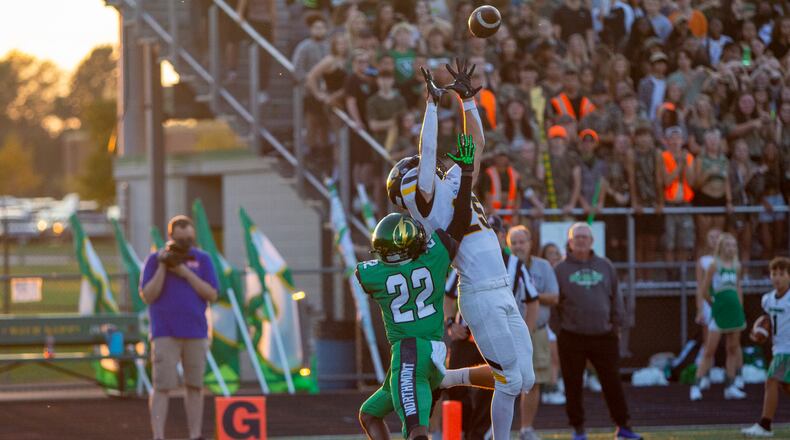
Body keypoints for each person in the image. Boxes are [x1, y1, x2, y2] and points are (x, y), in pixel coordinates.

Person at [386, 59, 536, 439]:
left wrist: (468, 101)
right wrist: (432, 106)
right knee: (510, 380)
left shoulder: (451, 182)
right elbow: (428, 149)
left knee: (528, 378)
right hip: (480, 294)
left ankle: (447, 376)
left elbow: (478, 144)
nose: (429, 165)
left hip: (501, 287)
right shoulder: (424, 204)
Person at [357, 141, 494, 440]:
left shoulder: (374, 274)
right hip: (434, 350)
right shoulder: (433, 258)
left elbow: (369, 270)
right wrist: (467, 175)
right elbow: (458, 221)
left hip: (408, 352)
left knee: (417, 431)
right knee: (370, 413)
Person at [443, 216, 539, 439]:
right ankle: (460, 431)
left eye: (494, 232)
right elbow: (448, 295)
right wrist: (450, 322)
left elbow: (532, 299)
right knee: (460, 395)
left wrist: (526, 331)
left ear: (501, 235)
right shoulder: (467, 257)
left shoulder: (514, 264)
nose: (489, 236)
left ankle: (478, 434)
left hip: (500, 332)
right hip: (468, 334)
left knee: (518, 381)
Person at [554, 223, 641, 440]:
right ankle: (578, 429)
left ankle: (623, 427)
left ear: (592, 241)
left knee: (612, 383)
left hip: (604, 335)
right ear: (570, 242)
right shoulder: (560, 269)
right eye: (577, 238)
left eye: (585, 237)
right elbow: (554, 304)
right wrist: (559, 330)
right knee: (573, 385)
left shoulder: (605, 266)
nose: (581, 240)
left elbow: (617, 297)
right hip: (571, 336)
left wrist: (617, 325)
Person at [140, 216, 219, 440]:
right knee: (162, 385)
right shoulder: (155, 260)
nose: (184, 243)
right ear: (170, 237)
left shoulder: (202, 259)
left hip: (195, 331)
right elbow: (148, 295)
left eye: (188, 239)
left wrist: (185, 272)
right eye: (180, 239)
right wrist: (164, 267)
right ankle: (158, 435)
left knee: (195, 385)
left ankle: (195, 434)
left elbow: (212, 293)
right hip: (165, 331)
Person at [509, 225, 562, 440]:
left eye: (522, 241)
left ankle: (526, 428)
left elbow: (554, 297)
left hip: (536, 332)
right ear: (508, 245)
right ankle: (495, 429)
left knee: (533, 382)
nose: (519, 246)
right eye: (514, 242)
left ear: (531, 243)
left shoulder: (543, 267)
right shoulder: (502, 265)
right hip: (507, 333)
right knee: (501, 381)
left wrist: (531, 295)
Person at [690, 233, 747, 401]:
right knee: (710, 350)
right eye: (728, 245)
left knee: (732, 348)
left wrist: (740, 307)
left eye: (734, 245)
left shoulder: (737, 266)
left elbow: (738, 288)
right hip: (719, 311)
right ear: (721, 247)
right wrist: (713, 303)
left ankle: (730, 385)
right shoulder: (714, 265)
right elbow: (704, 290)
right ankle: (696, 384)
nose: (731, 248)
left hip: (734, 311)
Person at [741, 257, 790, 437]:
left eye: (782, 274)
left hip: (787, 349)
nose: (777, 278)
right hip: (779, 348)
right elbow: (766, 321)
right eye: (774, 273)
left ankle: (765, 425)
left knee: (771, 381)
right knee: (786, 386)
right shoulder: (767, 299)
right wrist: (759, 332)